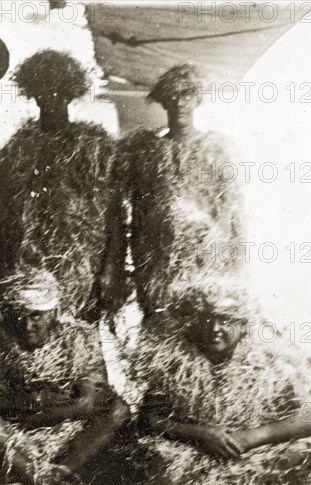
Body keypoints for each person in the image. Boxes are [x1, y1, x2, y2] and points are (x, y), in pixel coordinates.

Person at [119, 275, 311, 485]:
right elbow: (149, 419)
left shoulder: (269, 358)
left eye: (226, 320)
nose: (215, 328)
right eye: (207, 319)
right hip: (194, 450)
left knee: (299, 459)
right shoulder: (173, 359)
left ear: (244, 325)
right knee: (159, 477)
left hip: (251, 449)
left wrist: (250, 437)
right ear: (193, 322)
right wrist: (201, 434)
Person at [0, 269, 130, 485]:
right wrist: (36, 403)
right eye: (21, 315)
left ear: (54, 313)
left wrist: (35, 410)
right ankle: (45, 484)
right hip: (19, 433)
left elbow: (88, 402)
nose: (28, 325)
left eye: (36, 316)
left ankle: (50, 476)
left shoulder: (78, 338)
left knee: (119, 410)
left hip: (66, 429)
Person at [0, 50, 125, 321]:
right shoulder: (18, 149)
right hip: (33, 267)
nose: (50, 99)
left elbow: (114, 214)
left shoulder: (94, 146)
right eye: (43, 91)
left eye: (58, 91)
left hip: (83, 266)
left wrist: (111, 269)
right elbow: (5, 219)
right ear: (33, 95)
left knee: (82, 337)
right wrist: (2, 272)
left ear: (70, 94)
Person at [102, 63, 246, 317]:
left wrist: (234, 266)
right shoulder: (146, 153)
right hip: (158, 262)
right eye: (174, 96)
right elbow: (129, 209)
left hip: (205, 262)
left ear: (197, 100)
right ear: (164, 101)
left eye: (187, 95)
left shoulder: (216, 150)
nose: (180, 103)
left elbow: (232, 215)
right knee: (162, 323)